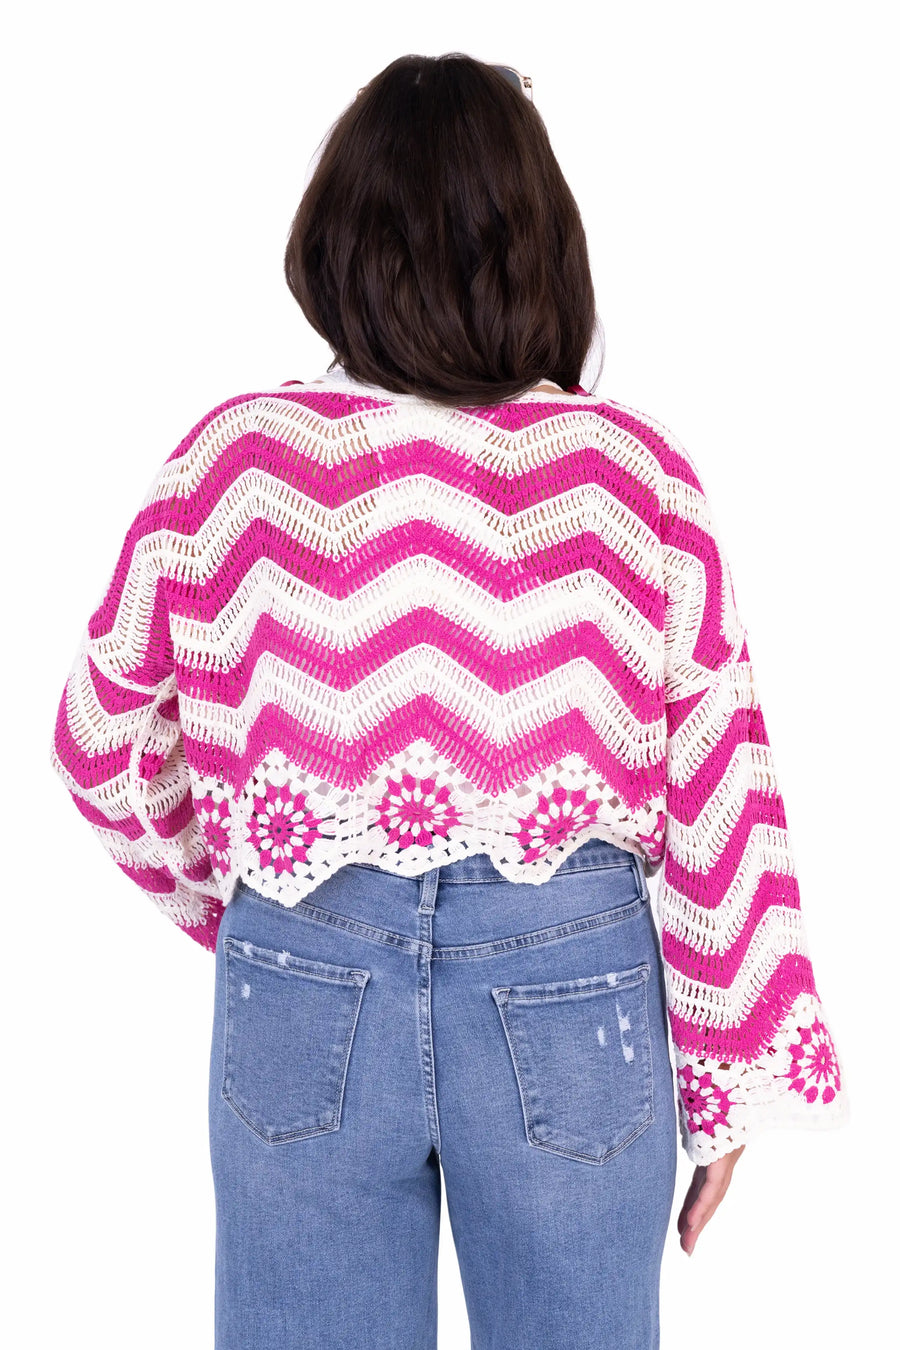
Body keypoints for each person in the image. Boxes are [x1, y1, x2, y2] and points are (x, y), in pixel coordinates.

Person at [49, 51, 849, 1350]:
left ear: (335, 238)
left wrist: (253, 901)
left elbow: (100, 740)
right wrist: (729, 1078)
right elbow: (719, 782)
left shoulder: (234, 463)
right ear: (542, 246)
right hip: (569, 984)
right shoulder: (632, 478)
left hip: (302, 977)